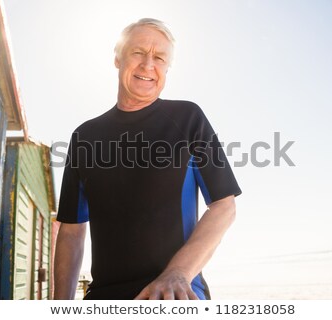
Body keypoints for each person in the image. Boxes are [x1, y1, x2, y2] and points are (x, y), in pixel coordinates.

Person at [54, 18, 241, 300]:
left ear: (167, 68)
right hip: (103, 299)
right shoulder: (85, 136)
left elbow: (224, 206)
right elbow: (71, 231)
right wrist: (61, 307)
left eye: (160, 57)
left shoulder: (187, 118)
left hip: (175, 296)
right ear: (118, 57)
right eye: (138, 53)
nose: (148, 65)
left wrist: (177, 273)